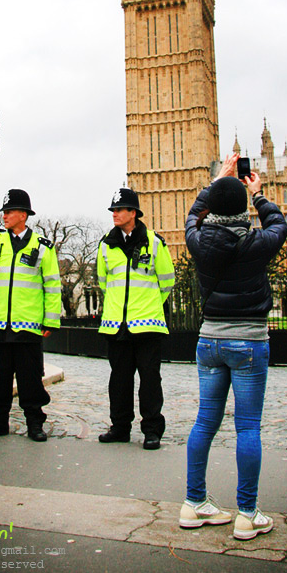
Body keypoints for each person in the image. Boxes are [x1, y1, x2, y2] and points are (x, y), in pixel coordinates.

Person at [180, 154, 287, 539]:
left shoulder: (197, 241)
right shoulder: (258, 242)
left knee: (204, 422)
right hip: (248, 342)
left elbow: (193, 213)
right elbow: (279, 224)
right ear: (242, 207)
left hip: (209, 340)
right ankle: (247, 513)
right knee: (247, 427)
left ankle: (194, 504)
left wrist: (218, 181)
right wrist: (257, 194)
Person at [0, 189, 61, 442]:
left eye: (9, 211)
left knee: (30, 379)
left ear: (23, 215)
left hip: (29, 326)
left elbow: (52, 286)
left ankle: (35, 423)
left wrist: (51, 321)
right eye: (4, 211)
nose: (5, 216)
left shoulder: (43, 248)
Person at [97, 187, 175, 449]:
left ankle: (152, 430)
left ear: (133, 213)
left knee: (150, 380)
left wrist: (147, 305)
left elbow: (167, 281)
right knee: (118, 379)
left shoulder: (154, 243)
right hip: (116, 324)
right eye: (113, 210)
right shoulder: (106, 245)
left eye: (119, 210)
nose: (115, 214)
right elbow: (104, 282)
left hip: (148, 325)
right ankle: (120, 427)